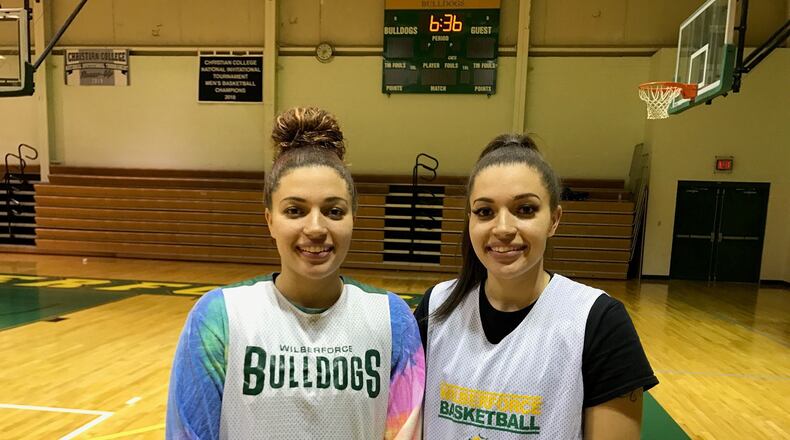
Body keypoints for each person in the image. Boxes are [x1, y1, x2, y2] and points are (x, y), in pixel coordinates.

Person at [166, 107, 424, 439]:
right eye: (294, 210)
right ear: (270, 220)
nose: (315, 228)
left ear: (353, 218)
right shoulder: (219, 317)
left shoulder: (393, 321)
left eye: (333, 211)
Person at [414, 134, 657, 439]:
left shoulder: (598, 321)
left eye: (525, 209)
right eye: (485, 212)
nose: (502, 228)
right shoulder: (435, 308)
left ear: (554, 219)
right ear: (470, 220)